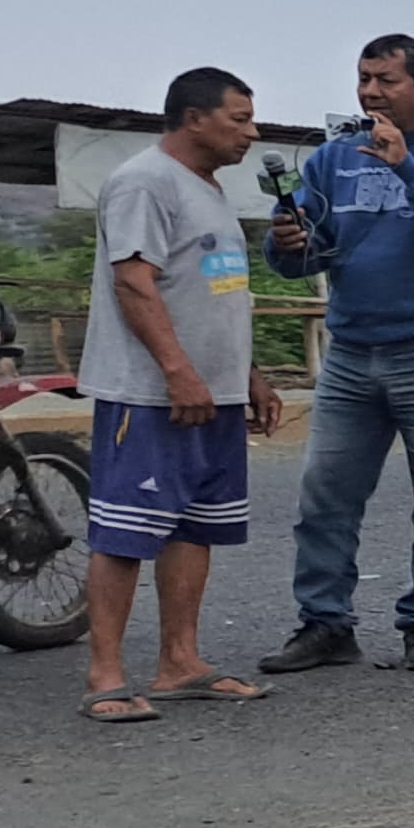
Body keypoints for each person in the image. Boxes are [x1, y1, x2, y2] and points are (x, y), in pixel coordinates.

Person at [260, 32, 414, 678]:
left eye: (386, 80)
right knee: (325, 494)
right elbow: (311, 254)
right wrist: (289, 243)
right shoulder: (332, 158)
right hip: (351, 350)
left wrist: (407, 165)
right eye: (363, 78)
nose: (370, 91)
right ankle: (325, 625)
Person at [77, 68, 285, 718]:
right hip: (150, 394)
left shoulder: (210, 191)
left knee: (194, 527)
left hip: (211, 394)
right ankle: (105, 675)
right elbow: (134, 283)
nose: (251, 133)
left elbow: (217, 292)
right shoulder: (145, 181)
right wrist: (177, 371)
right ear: (194, 119)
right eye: (239, 119)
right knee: (126, 531)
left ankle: (179, 663)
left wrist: (244, 374)